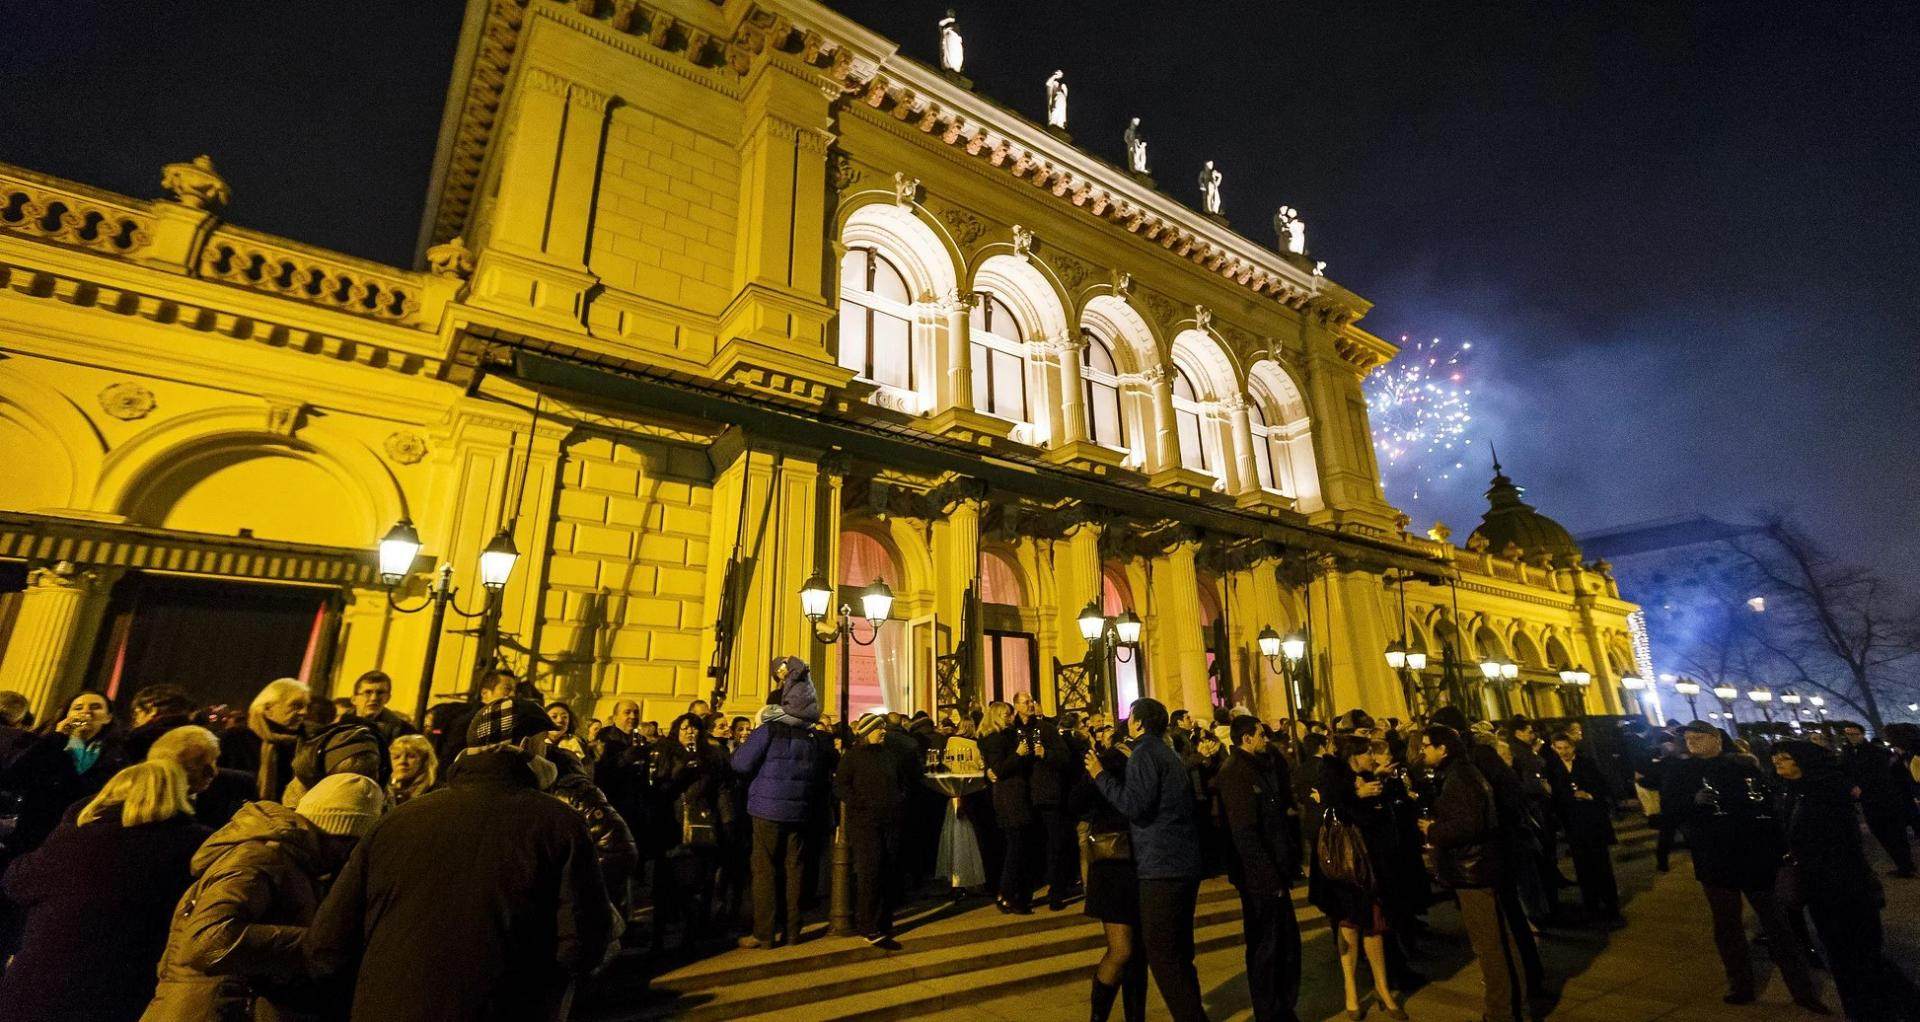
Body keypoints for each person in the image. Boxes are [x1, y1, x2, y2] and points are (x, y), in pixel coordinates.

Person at [304, 697, 619, 1021]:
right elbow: (584, 941)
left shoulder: (399, 819)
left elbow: (327, 943)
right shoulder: (558, 823)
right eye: (543, 743)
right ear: (527, 745)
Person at [142, 773, 386, 1022]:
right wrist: (318, 941)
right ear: (340, 833)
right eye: (354, 844)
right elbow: (209, 940)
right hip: (209, 1010)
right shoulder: (262, 857)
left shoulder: (298, 861)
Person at [0, 761, 210, 1022]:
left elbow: (15, 882)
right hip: (123, 990)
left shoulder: (78, 837)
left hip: (38, 986)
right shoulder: (195, 846)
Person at [1660, 720, 1827, 1011]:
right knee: (1727, 925)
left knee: (1777, 924)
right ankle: (1741, 983)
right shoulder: (1680, 771)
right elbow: (1670, 813)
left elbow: (1766, 808)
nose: (1692, 743)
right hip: (1714, 857)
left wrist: (1779, 848)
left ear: (1716, 739)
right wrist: (1691, 802)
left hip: (1753, 855)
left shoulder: (1741, 766)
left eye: (1699, 737)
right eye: (1687, 738)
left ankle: (1802, 989)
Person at [1774, 740, 1920, 1021]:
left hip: (1843, 887)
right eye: (1776, 758)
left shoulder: (1826, 793)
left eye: (1785, 757)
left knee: (1860, 955)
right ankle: (1866, 1008)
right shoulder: (1794, 792)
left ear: (1805, 761)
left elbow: (1838, 843)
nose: (1778, 762)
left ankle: (1895, 1005)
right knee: (1844, 957)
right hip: (1820, 886)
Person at [1086, 698, 1208, 1022]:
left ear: (1137, 723)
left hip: (1160, 866)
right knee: (1180, 955)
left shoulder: (1143, 753)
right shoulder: (1168, 753)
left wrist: (1100, 776)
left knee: (1165, 957)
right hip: (1181, 862)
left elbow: (1134, 805)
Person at [1419, 724, 1524, 1022]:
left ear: (1443, 749)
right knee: (1501, 941)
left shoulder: (1459, 777)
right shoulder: (1462, 773)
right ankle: (1514, 1004)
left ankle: (1500, 1011)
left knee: (1489, 946)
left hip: (1472, 870)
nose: (1423, 750)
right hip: (1481, 867)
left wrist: (1433, 830)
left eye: (1427, 745)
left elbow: (1471, 825)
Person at [730, 656, 830, 949]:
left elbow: (740, 764)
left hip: (766, 810)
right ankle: (793, 931)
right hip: (798, 811)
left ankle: (763, 934)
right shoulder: (810, 735)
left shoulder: (769, 730)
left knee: (764, 871)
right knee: (795, 870)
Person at [1310, 734, 1408, 1020]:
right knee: (1349, 927)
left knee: (1374, 928)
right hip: (1346, 867)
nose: (1372, 757)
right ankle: (1351, 989)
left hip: (1371, 866)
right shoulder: (1333, 775)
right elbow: (1331, 804)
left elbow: (1384, 815)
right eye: (1366, 753)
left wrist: (1381, 786)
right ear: (1353, 755)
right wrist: (1358, 794)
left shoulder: (1370, 776)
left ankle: (1382, 987)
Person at [1217, 717, 1303, 1022]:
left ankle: (1283, 1004)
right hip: (1259, 876)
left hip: (1273, 868)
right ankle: (1270, 1010)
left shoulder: (1260, 766)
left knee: (1284, 942)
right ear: (1246, 738)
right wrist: (1267, 876)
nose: (1265, 739)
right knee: (1266, 946)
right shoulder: (1236, 772)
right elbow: (1244, 832)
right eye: (1260, 735)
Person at [1073, 720, 1148, 1022]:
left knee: (1129, 951)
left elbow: (1077, 802)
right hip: (1123, 860)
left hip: (1121, 861)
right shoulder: (1137, 760)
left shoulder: (1112, 761)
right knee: (1127, 951)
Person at [1, 689, 126, 856]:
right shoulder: (51, 743)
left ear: (108, 717)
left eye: (95, 707)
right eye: (78, 708)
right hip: (34, 839)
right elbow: (14, 778)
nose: (86, 711)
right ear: (67, 715)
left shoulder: (117, 756)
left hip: (81, 841)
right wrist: (58, 736)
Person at [650, 711, 727, 954]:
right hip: (669, 828)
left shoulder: (710, 756)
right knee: (663, 887)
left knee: (693, 885)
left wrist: (727, 821)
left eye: (693, 728)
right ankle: (658, 939)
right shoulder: (665, 752)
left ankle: (690, 938)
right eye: (684, 728)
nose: (689, 732)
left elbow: (720, 791)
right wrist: (681, 770)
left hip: (699, 827)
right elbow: (659, 789)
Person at [835, 713, 905, 947]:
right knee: (870, 873)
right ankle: (868, 924)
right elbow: (841, 786)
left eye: (883, 727)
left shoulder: (889, 755)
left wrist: (898, 799)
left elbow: (900, 781)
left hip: (890, 820)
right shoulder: (853, 757)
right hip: (865, 823)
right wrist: (860, 803)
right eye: (877, 728)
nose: (882, 731)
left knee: (887, 870)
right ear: (866, 733)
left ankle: (884, 921)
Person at [1546, 730, 1620, 922]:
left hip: (1593, 821)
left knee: (1601, 864)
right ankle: (1591, 904)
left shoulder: (1587, 763)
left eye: (1566, 748)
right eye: (1559, 748)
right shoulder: (1552, 768)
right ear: (1554, 748)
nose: (1563, 752)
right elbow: (1555, 796)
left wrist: (1589, 795)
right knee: (1582, 866)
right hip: (1573, 824)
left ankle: (1611, 904)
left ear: (1573, 747)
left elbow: (1601, 785)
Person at [979, 700, 1037, 914]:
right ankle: (1007, 893)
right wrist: (1018, 755)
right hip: (1010, 797)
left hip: (1012, 795)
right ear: (996, 717)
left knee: (1017, 845)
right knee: (1015, 847)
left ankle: (1012, 892)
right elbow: (1001, 768)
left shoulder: (1002, 737)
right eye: (1006, 715)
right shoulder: (995, 739)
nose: (1010, 718)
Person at [1837, 722, 1917, 877]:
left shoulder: (1877, 751)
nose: (1851, 737)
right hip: (1868, 800)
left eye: (1855, 734)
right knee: (1881, 832)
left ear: (1862, 734)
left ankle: (1906, 865)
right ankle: (1902, 864)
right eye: (1848, 734)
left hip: (1885, 797)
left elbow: (1889, 774)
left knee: (1895, 832)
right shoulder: (1846, 753)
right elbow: (1843, 773)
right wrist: (1851, 786)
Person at [148, 723, 256, 830]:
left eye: (213, 761)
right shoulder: (152, 802)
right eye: (198, 766)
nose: (212, 772)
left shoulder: (239, 784)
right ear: (170, 771)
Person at [233, 679, 310, 803]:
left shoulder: (306, 744)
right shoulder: (234, 739)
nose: (304, 712)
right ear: (268, 708)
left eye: (306, 706)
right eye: (296, 705)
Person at [337, 670, 415, 748]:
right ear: (354, 699)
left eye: (380, 693)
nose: (374, 698)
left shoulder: (404, 732)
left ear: (388, 698)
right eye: (368, 692)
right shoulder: (338, 725)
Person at [123, 684, 196, 760]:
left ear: (152, 711)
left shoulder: (136, 742)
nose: (134, 721)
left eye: (136, 714)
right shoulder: (198, 740)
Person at [385, 732, 438, 807]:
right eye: (396, 757)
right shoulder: (385, 795)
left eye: (411, 756)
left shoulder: (435, 794)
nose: (402, 761)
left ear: (424, 762)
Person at [547, 701, 596, 772]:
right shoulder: (535, 742)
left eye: (565, 717)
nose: (560, 720)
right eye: (554, 717)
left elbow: (587, 771)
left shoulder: (578, 744)